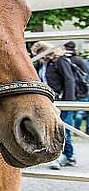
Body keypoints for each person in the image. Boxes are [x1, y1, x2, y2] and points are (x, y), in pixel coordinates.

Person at [31, 41, 76, 169]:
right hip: (49, 101)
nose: (38, 55)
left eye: (40, 52)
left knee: (64, 127)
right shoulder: (42, 65)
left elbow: (69, 80)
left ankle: (67, 155)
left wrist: (68, 102)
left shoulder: (59, 61)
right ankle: (66, 155)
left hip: (62, 100)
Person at [64, 41, 89, 134]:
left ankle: (76, 130)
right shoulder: (78, 60)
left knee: (76, 113)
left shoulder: (63, 59)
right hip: (82, 91)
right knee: (82, 112)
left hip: (72, 91)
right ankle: (83, 130)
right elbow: (86, 74)